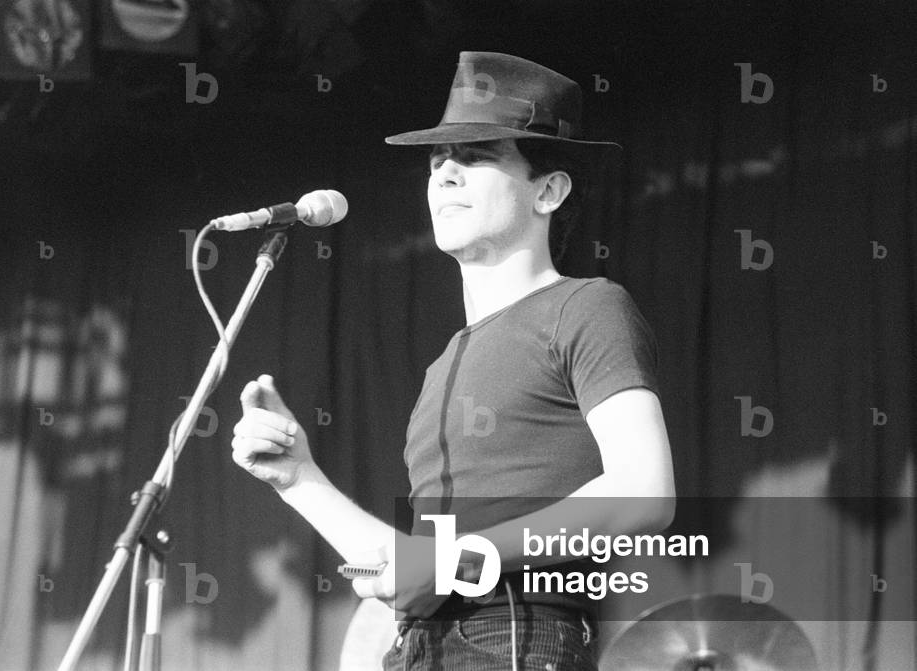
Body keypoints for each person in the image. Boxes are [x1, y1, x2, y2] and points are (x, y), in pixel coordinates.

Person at [231, 51, 675, 671]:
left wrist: (455, 559)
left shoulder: (587, 306)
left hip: (517, 633)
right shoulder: (442, 367)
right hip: (418, 646)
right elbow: (413, 568)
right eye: (439, 161)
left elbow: (645, 494)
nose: (445, 175)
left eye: (476, 158)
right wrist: (299, 478)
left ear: (548, 189)